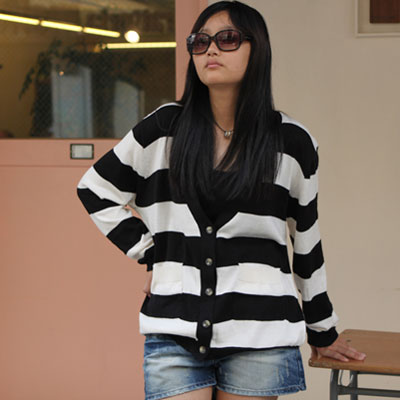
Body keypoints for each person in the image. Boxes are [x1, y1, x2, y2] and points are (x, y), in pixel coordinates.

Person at [77, 1, 366, 399]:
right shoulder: (164, 129)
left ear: (257, 48)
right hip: (175, 329)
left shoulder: (292, 143)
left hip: (260, 332)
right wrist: (155, 253)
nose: (211, 49)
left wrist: (322, 328)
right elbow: (95, 189)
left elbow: (306, 241)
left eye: (227, 39)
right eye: (200, 41)